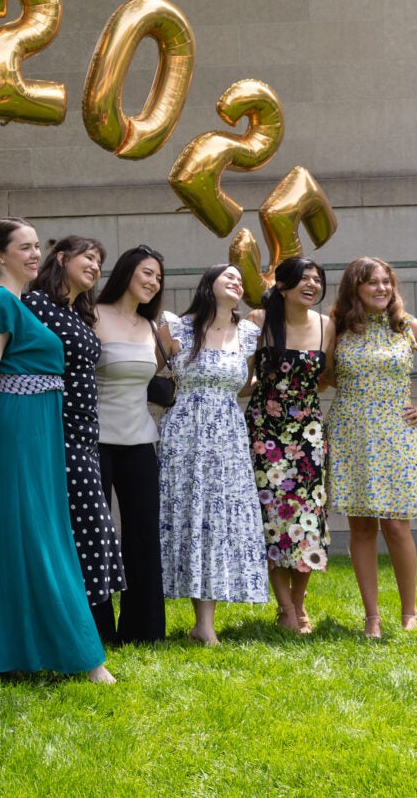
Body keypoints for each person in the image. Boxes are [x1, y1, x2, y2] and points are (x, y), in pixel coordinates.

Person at [0, 217, 115, 683]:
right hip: (13, 432)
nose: (31, 254)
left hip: (41, 433)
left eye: (34, 247)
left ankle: (20, 648)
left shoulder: (20, 302)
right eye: (21, 247)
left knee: (32, 540)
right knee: (38, 541)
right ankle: (84, 658)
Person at [326, 256, 417, 639]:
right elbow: (323, 377)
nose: (382, 288)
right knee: (362, 527)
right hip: (349, 434)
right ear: (355, 288)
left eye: (386, 282)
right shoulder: (337, 328)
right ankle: (372, 617)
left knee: (397, 527)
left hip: (396, 438)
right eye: (372, 283)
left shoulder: (405, 326)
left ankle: (409, 611)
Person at [23, 236, 128, 644]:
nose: (96, 266)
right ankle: (66, 631)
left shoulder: (76, 314)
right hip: (56, 435)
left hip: (85, 436)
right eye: (88, 257)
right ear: (61, 258)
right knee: (80, 530)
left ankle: (79, 628)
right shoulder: (35, 306)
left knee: (91, 529)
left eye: (100, 262)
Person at [156, 263, 267, 645]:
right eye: (228, 276)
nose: (236, 280)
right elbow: (145, 374)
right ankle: (194, 619)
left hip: (229, 437)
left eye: (240, 277)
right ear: (209, 284)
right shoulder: (179, 328)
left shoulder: (250, 333)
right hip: (185, 434)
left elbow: (247, 382)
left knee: (218, 521)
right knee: (189, 517)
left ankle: (205, 624)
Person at [243, 257, 334, 634]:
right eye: (303, 279)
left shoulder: (328, 326)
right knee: (274, 519)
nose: (311, 285)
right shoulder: (258, 321)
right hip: (265, 432)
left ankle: (299, 604)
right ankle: (285, 608)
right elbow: (244, 377)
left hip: (309, 435)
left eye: (316, 280)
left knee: (307, 520)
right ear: (282, 285)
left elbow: (326, 378)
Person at [92, 244, 169, 643]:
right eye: (147, 272)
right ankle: (98, 629)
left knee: (143, 533)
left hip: (141, 442)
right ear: (126, 273)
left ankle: (143, 629)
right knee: (96, 534)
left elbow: (160, 382)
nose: (153, 282)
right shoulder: (92, 315)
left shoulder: (152, 327)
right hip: (96, 442)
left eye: (158, 277)